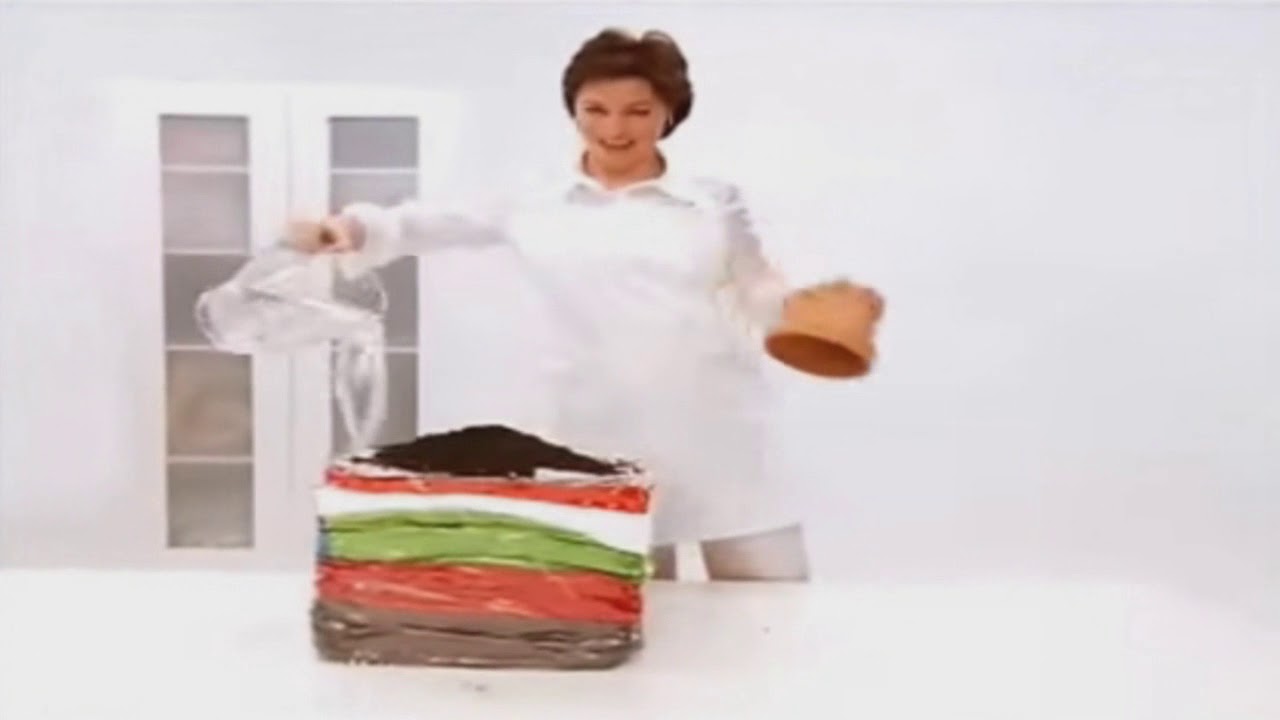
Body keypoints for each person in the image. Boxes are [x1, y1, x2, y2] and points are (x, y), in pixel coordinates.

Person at [288, 28, 881, 581]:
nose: (614, 128)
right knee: (629, 609)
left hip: (720, 432)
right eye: (595, 109)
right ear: (573, 110)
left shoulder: (711, 202)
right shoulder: (535, 201)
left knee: (773, 601)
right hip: (596, 438)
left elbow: (756, 288)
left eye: (638, 111)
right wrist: (350, 228)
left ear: (669, 113)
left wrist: (803, 310)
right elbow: (427, 223)